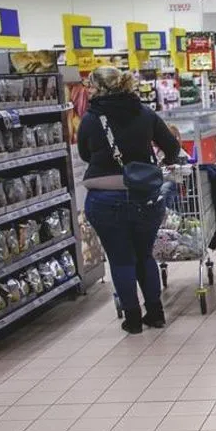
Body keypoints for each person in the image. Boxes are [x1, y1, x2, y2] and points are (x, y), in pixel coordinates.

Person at [76, 65, 184, 334]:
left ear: (99, 88)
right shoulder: (145, 113)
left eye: (91, 85)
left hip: (104, 198)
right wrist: (155, 166)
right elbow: (172, 147)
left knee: (120, 259)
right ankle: (156, 313)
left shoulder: (91, 119)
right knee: (144, 255)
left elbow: (85, 155)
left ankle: (133, 319)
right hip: (144, 197)